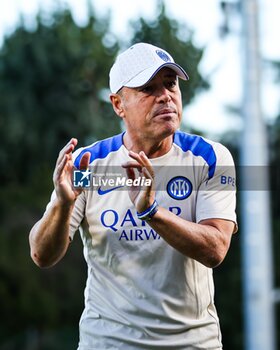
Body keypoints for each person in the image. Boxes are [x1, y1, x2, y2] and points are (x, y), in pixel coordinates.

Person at [29, 42, 237, 349]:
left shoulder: (209, 158)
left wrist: (151, 210)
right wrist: (63, 204)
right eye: (148, 89)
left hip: (192, 344)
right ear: (118, 104)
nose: (165, 96)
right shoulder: (89, 164)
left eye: (170, 84)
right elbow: (41, 255)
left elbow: (216, 248)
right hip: (109, 342)